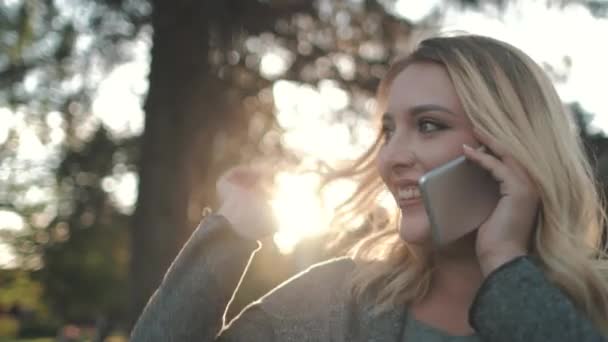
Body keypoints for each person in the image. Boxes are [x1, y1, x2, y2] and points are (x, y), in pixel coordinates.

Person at [130, 34, 608, 341]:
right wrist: (232, 233)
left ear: (512, 148)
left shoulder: (590, 310)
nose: (393, 157)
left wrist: (505, 263)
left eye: (428, 126)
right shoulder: (333, 301)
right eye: (387, 131)